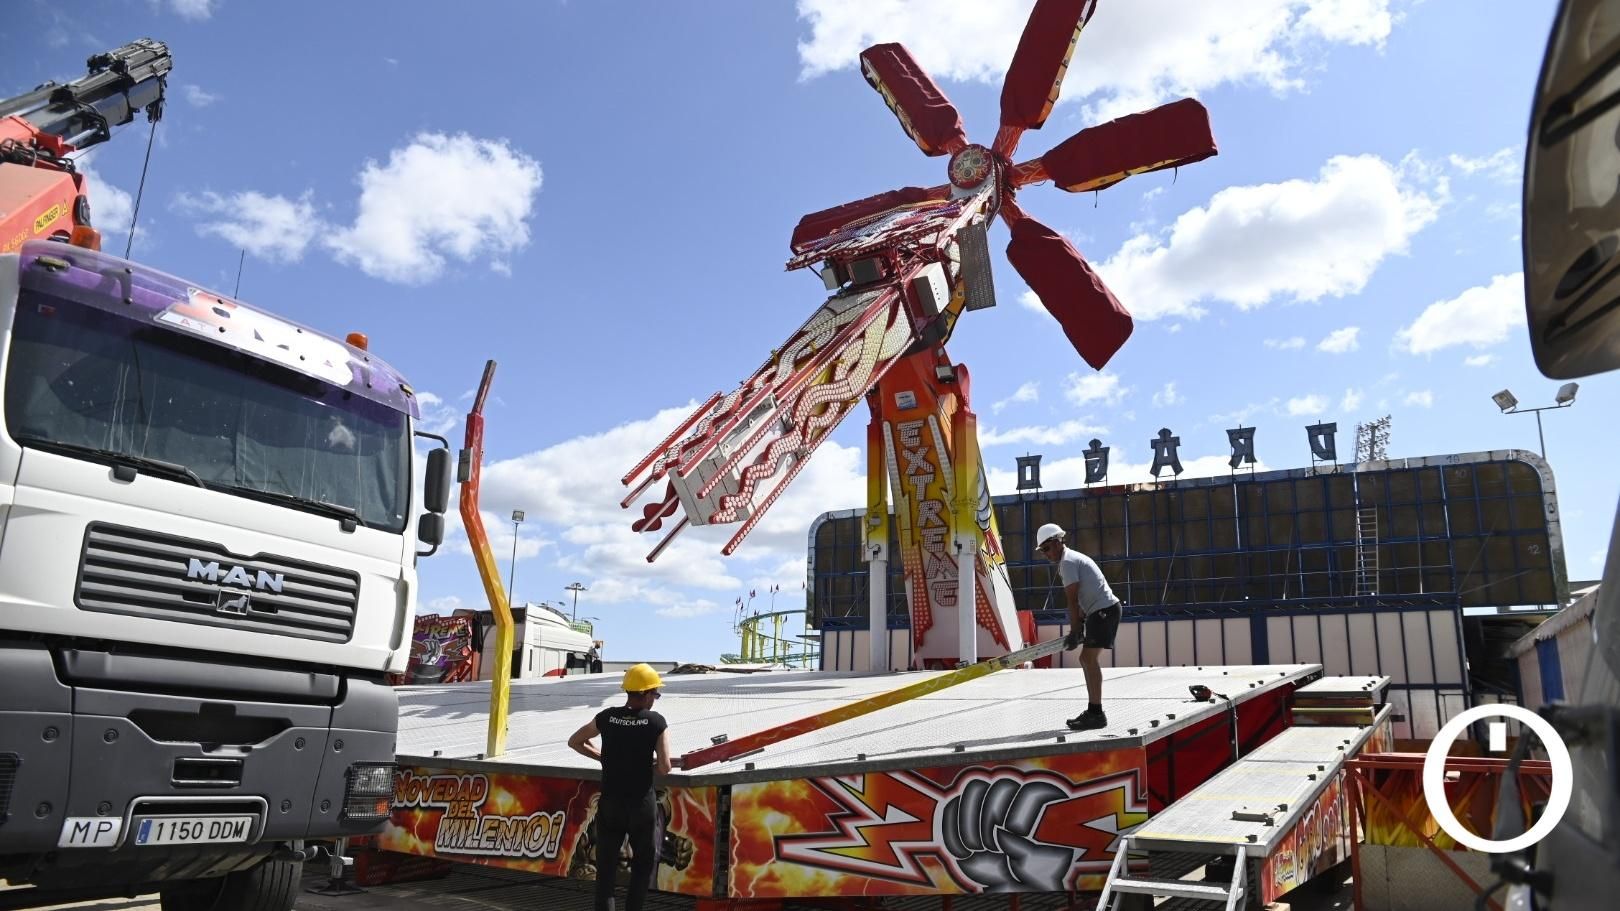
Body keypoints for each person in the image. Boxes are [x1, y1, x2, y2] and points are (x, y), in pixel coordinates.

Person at [567, 663, 672, 911]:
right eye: (655, 694)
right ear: (646, 694)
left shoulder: (607, 717)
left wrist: (603, 757)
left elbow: (575, 741)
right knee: (643, 866)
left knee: (605, 870)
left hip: (611, 805)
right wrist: (648, 766)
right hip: (641, 806)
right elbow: (665, 767)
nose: (655, 699)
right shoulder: (656, 722)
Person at [1035, 523, 1123, 731]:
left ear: (1057, 542)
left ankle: (1096, 713)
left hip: (1103, 611)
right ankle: (1094, 711)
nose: (1046, 554)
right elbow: (1083, 600)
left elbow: (1072, 601)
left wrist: (1075, 631)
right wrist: (1079, 626)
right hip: (1102, 611)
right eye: (1042, 551)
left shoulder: (1067, 562)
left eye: (1047, 548)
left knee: (1087, 658)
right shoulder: (1072, 559)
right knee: (1087, 658)